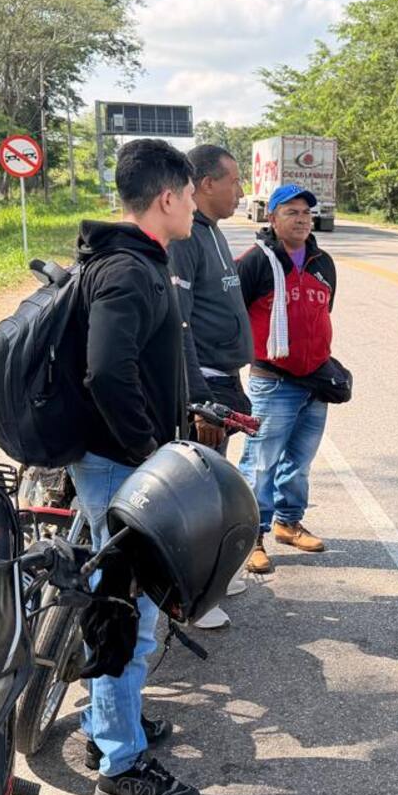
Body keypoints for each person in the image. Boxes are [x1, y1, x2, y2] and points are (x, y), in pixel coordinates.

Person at [68, 137, 201, 795]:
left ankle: (104, 728)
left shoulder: (133, 259)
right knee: (127, 615)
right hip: (119, 467)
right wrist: (152, 453)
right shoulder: (128, 269)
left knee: (125, 607)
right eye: (190, 192)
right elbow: (106, 372)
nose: (195, 204)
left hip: (118, 461)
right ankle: (119, 763)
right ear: (168, 196)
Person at [169, 143, 254, 629]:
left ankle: (211, 577)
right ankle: (194, 595)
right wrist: (198, 398)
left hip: (224, 377)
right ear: (204, 185)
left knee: (217, 484)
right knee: (200, 491)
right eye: (234, 181)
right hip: (205, 384)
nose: (241, 191)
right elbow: (181, 324)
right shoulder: (186, 238)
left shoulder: (213, 233)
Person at [236, 183, 337, 575]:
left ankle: (287, 522)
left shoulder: (323, 262)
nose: (301, 218)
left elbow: (323, 314)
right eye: (291, 211)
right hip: (273, 381)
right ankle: (251, 537)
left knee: (299, 462)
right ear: (272, 218)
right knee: (260, 464)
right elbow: (234, 318)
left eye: (306, 213)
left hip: (316, 381)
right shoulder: (255, 262)